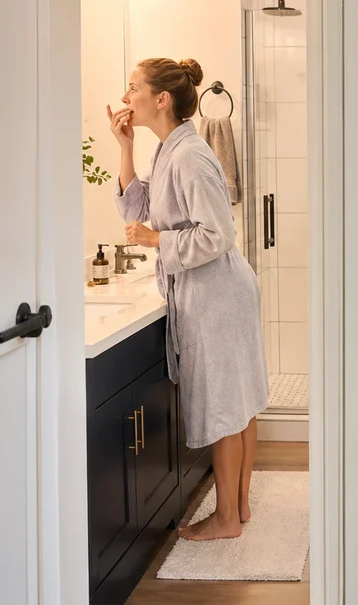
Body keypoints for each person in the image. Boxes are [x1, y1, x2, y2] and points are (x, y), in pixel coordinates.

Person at [108, 58, 269, 541]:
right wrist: (125, 149)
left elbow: (218, 233)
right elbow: (143, 211)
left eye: (133, 87)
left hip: (216, 294)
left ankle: (225, 520)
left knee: (226, 408)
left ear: (161, 99)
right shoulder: (168, 150)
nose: (125, 96)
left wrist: (158, 242)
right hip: (216, 292)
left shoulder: (189, 156)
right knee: (238, 405)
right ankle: (237, 509)